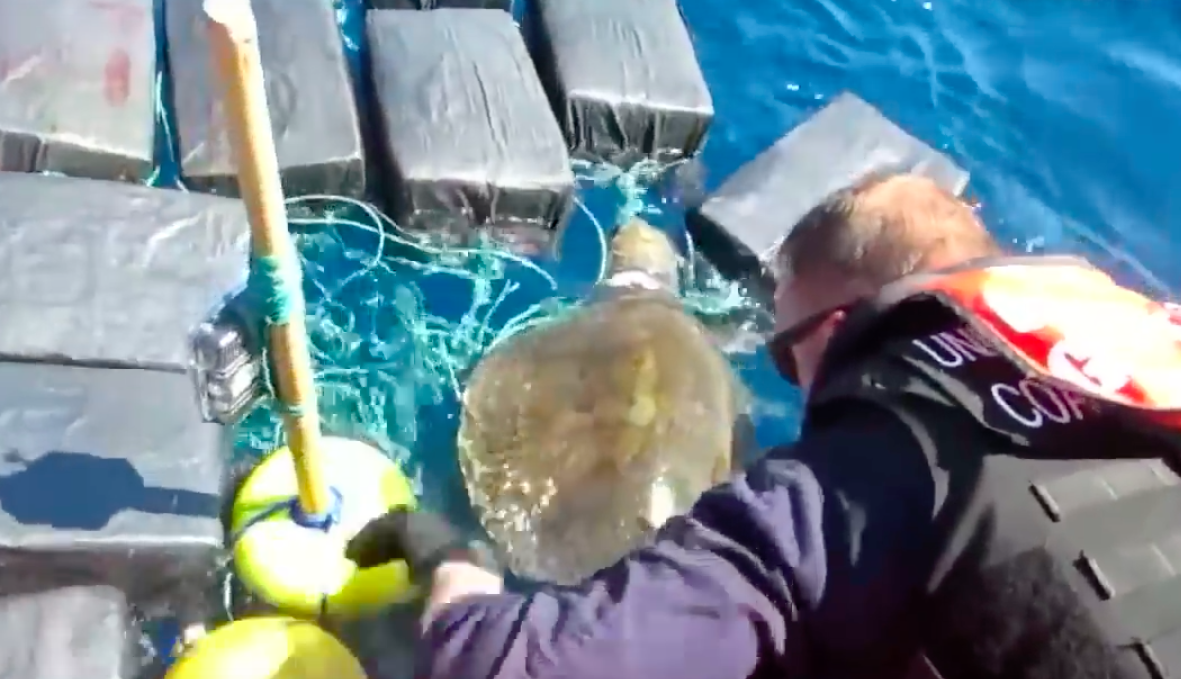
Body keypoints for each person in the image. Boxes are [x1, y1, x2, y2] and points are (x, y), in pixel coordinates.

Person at [346, 173, 1181, 679]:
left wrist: (456, 566)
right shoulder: (1152, 348)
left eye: (786, 356)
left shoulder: (860, 481)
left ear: (832, 327)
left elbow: (516, 671)